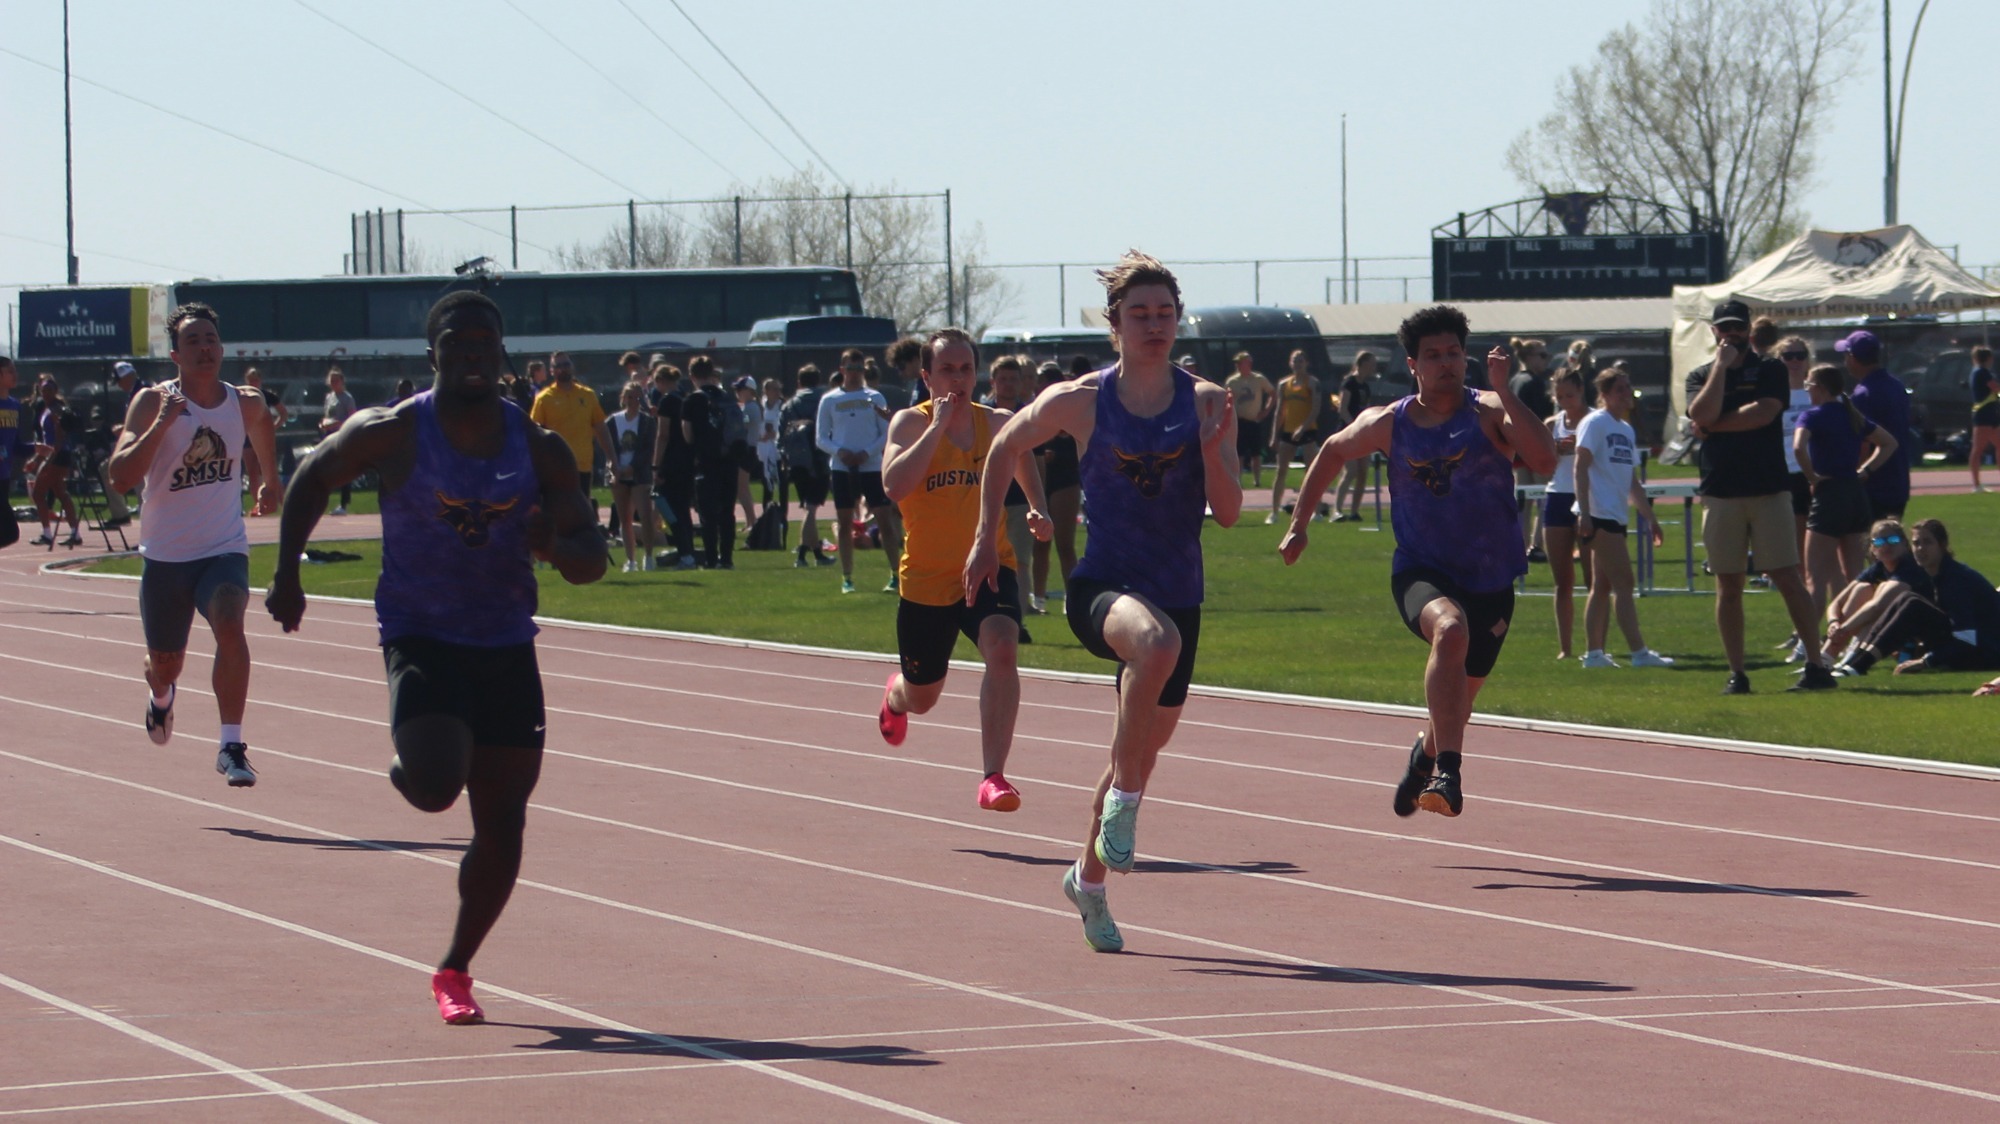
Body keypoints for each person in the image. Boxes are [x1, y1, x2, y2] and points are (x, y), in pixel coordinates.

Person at [266, 290, 606, 1026]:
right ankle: (411, 761)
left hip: (507, 642)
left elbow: (592, 557)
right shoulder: (393, 432)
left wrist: (552, 545)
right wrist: (287, 571)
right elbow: (312, 478)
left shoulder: (538, 447)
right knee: (433, 787)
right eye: (459, 344)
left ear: (501, 353)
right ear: (436, 357)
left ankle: (455, 968)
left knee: (504, 825)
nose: (474, 355)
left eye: (487, 343)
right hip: (423, 632)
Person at [969, 251, 1240, 952]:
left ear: (1179, 321)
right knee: (1154, 650)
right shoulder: (1082, 400)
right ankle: (1126, 804)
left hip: (1180, 591)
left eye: (1165, 313)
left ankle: (1087, 880)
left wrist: (1211, 450)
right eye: (1140, 314)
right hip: (1103, 586)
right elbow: (1002, 445)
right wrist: (985, 538)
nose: (1154, 325)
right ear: (1115, 322)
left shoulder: (1207, 401)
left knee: (1139, 748)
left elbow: (1232, 511)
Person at [1280, 304, 1556, 819]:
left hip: (1490, 576)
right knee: (1450, 632)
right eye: (1433, 355)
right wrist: (1300, 524)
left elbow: (1544, 460)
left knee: (1457, 702)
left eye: (1454, 352)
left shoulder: (1491, 410)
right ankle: (1448, 773)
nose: (1446, 363)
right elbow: (1333, 452)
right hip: (1422, 571)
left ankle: (1426, 754)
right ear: (1413, 365)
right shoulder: (1391, 422)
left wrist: (1508, 388)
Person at [106, 303, 280, 786]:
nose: (204, 348)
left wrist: (268, 478)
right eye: (193, 341)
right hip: (166, 556)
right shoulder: (149, 402)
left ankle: (231, 745)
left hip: (223, 547)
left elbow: (263, 421)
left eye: (210, 340)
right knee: (166, 664)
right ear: (176, 355)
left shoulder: (241, 401)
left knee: (230, 619)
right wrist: (163, 422)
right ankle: (161, 696)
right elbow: (119, 478)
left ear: (221, 349)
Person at [878, 328, 1048, 811]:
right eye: (947, 369)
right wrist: (937, 427)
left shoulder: (995, 422)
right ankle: (896, 696)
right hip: (927, 580)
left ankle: (993, 776)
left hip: (988, 562)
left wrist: (1037, 506)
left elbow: (1022, 453)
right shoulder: (909, 424)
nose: (958, 378)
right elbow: (893, 485)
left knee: (1002, 645)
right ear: (926, 375)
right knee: (924, 695)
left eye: (966, 369)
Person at [1684, 299, 1836, 693]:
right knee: (1728, 585)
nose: (1731, 334)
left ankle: (1816, 665)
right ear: (1715, 332)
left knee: (1787, 575)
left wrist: (1715, 426)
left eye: (1737, 328)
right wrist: (1720, 368)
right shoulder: (1701, 373)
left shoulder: (1769, 368)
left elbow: (1763, 413)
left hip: (1768, 489)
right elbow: (1699, 412)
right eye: (1724, 328)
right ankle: (1738, 672)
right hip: (1721, 492)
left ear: (1749, 330)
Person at [1573, 369, 1673, 669]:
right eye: (1619, 388)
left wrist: (1650, 518)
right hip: (1598, 514)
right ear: (1604, 394)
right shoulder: (1595, 423)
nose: (1626, 393)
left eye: (1628, 386)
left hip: (1615, 514)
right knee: (1625, 583)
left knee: (1602, 586)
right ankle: (1639, 652)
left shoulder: (1626, 430)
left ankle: (1594, 654)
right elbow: (1580, 466)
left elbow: (1632, 482)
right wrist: (1585, 513)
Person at [1793, 363, 1898, 641]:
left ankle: (1806, 643)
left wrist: (1812, 477)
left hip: (1829, 496)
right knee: (1856, 578)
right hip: (1855, 495)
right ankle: (1857, 638)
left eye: (1809, 386)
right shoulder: (1851, 415)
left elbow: (1797, 447)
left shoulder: (1813, 416)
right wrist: (1865, 472)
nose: (1807, 392)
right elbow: (1888, 443)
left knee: (1815, 578)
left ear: (1821, 388)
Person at [1831, 519, 2000, 678]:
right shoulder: (1934, 574)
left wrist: (1926, 661)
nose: (1920, 548)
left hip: (1987, 651)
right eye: (1916, 543)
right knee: (1906, 598)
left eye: (1927, 542)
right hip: (1971, 645)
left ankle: (1858, 665)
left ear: (1942, 546)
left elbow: (1967, 639)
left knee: (1913, 604)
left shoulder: (1956, 580)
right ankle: (1856, 662)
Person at [817, 348, 902, 593]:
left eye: (858, 369)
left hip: (871, 466)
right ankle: (847, 577)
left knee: (884, 519)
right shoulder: (830, 400)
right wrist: (840, 451)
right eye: (850, 369)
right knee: (845, 522)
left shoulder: (874, 397)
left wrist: (867, 452)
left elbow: (886, 432)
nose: (854, 374)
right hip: (842, 468)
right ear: (842, 370)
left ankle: (895, 574)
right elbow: (821, 437)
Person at [529, 351, 615, 529]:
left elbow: (600, 427)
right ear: (552, 371)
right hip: (555, 468)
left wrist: (611, 458)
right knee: (557, 513)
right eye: (558, 366)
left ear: (572, 367)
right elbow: (534, 433)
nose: (562, 369)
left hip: (582, 465)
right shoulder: (544, 398)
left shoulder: (587, 395)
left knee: (581, 513)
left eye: (566, 364)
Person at [1821, 518, 1927, 660]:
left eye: (1893, 540)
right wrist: (1833, 623)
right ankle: (1825, 659)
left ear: (1904, 543)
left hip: (1923, 628)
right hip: (1895, 625)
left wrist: (1843, 629)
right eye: (1879, 542)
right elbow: (1837, 602)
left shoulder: (1909, 566)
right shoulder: (1878, 567)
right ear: (1872, 548)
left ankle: (1852, 660)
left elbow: (1876, 607)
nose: (1886, 546)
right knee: (1861, 589)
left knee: (1874, 614)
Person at [1839, 330, 1911, 521]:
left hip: (1873, 485)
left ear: (1853, 358)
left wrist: (1856, 476)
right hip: (1899, 480)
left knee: (1872, 545)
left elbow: (1863, 443)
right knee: (1892, 543)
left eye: (1846, 355)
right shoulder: (1897, 386)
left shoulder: (1863, 395)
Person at [983, 356, 1038, 606]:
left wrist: (1038, 501)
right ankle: (989, 605)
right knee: (988, 553)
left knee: (1021, 558)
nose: (1007, 385)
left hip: (1020, 497)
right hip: (990, 496)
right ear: (993, 382)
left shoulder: (1029, 415)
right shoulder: (983, 414)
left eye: (1013, 379)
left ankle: (1020, 612)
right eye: (1002, 379)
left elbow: (1036, 460)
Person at [1543, 370, 1589, 660]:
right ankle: (1566, 647)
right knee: (1562, 581)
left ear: (1581, 391)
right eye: (1559, 397)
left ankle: (1595, 645)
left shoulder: (1594, 420)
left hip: (1586, 497)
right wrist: (1554, 450)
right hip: (1557, 496)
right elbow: (1542, 464)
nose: (1564, 402)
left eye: (1569, 395)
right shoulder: (1552, 423)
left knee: (1594, 580)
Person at [1030, 360, 1082, 612]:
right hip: (1040, 480)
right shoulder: (1034, 410)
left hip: (1065, 480)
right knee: (1039, 544)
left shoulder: (1070, 410)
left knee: (1064, 543)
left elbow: (1075, 446)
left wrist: (1055, 453)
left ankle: (1071, 598)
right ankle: (1037, 598)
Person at [681, 356, 738, 569]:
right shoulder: (727, 397)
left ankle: (712, 559)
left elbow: (688, 435)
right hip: (729, 461)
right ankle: (727, 558)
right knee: (727, 512)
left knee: (707, 514)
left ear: (692, 376)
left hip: (705, 462)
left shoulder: (692, 400)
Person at [779, 364, 834, 567]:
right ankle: (801, 556)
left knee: (807, 507)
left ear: (799, 382)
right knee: (811, 509)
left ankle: (817, 555)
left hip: (797, 462)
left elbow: (780, 436)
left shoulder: (789, 405)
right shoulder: (824, 401)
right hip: (819, 460)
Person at [1508, 338, 1556, 561]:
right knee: (1545, 497)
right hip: (1534, 448)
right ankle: (1536, 544)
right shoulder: (1534, 383)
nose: (1546, 360)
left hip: (1517, 448)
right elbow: (1539, 419)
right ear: (1528, 358)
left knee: (1523, 501)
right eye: (1542, 355)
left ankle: (1521, 544)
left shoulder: (1514, 381)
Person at [648, 364, 699, 569]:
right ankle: (688, 552)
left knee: (671, 510)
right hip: (687, 461)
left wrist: (655, 465)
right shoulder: (685, 397)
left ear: (661, 381)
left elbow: (663, 435)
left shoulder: (667, 400)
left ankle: (685, 553)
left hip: (671, 462)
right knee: (683, 509)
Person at [25, 375, 84, 546]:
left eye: (49, 390)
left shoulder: (56, 410)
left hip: (58, 455)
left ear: (55, 391)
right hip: (54, 454)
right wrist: (37, 458)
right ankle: (74, 533)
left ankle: (47, 534)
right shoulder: (47, 409)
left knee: (38, 493)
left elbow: (59, 438)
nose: (46, 393)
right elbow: (47, 440)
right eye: (43, 391)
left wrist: (49, 459)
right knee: (61, 493)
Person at [607, 381, 657, 572]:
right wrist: (614, 468)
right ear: (623, 398)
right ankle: (630, 560)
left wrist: (632, 467)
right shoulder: (613, 421)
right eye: (629, 397)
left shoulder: (647, 422)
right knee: (624, 518)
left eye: (637, 397)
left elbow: (647, 449)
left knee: (645, 515)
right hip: (618, 474)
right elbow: (607, 446)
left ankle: (649, 557)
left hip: (640, 474)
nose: (633, 401)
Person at [1265, 350, 1318, 523]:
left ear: (1306, 363)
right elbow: (1280, 411)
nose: (1298, 364)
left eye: (1301, 361)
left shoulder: (1312, 383)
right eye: (1295, 361)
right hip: (1288, 431)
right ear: (1290, 363)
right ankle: (1274, 512)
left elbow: (1315, 410)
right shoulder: (1283, 385)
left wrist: (1302, 429)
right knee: (1281, 471)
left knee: (1311, 472)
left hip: (1307, 431)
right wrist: (1274, 435)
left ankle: (1314, 511)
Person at [1331, 351, 1379, 521]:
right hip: (1347, 432)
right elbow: (1342, 409)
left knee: (1363, 472)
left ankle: (1354, 512)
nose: (1374, 367)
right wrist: (1354, 427)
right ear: (1363, 363)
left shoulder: (1365, 386)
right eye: (1371, 363)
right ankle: (1336, 510)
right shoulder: (1349, 383)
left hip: (1362, 435)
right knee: (1350, 471)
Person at [99, 360, 145, 525]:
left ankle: (146, 535)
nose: (118, 385)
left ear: (128, 376)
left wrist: (125, 428)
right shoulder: (134, 392)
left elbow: (146, 419)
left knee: (143, 491)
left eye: (119, 381)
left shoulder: (143, 390)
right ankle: (121, 514)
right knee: (107, 469)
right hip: (135, 446)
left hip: (144, 448)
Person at [241, 368, 288, 510]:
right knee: (252, 472)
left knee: (270, 470)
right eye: (251, 380)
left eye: (256, 379)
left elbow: (283, 413)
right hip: (248, 438)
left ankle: (284, 503)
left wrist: (273, 427)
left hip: (263, 437)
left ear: (260, 381)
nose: (253, 382)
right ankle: (259, 504)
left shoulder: (266, 396)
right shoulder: (243, 397)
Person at [1225, 351, 1273, 486]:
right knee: (1238, 452)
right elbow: (1226, 399)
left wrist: (1266, 411)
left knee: (1256, 453)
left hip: (1254, 421)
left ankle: (1257, 480)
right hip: (1239, 421)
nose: (1238, 366)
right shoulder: (1232, 381)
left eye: (1241, 363)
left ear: (1248, 364)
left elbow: (1272, 393)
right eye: (1237, 363)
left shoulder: (1258, 379)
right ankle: (1238, 479)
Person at [321, 367, 358, 514]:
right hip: (329, 435)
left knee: (343, 469)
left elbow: (352, 417)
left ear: (342, 381)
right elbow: (326, 415)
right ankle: (322, 501)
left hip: (342, 435)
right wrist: (323, 424)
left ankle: (344, 503)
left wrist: (338, 424)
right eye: (332, 381)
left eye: (336, 380)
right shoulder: (330, 397)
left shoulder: (347, 398)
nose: (334, 383)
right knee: (326, 468)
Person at [0, 357, 27, 549]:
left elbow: (16, 445)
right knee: (10, 531)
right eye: (10, 371)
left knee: (6, 532)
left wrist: (36, 448)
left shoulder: (14, 405)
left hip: (4, 475)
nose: (15, 375)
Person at [730, 376, 764, 530]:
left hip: (747, 450)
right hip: (748, 450)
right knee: (742, 488)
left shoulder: (750, 407)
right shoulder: (750, 406)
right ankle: (750, 521)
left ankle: (753, 521)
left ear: (749, 391)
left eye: (740, 389)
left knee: (741, 488)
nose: (737, 392)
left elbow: (742, 423)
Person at [1968, 346, 1997, 492]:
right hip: (1983, 415)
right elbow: (1995, 388)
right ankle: (1976, 484)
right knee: (1978, 449)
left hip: (1991, 414)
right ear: (1988, 358)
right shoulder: (1982, 372)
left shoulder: (1981, 372)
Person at [757, 377, 784, 509]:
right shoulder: (759, 406)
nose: (777, 391)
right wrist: (758, 436)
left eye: (778, 389)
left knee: (781, 483)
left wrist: (776, 434)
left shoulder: (783, 406)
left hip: (778, 451)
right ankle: (765, 513)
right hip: (763, 451)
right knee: (766, 484)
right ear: (766, 391)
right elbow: (748, 422)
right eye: (774, 389)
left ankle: (782, 514)